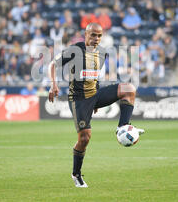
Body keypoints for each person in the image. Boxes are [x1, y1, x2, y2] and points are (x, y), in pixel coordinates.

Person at [47, 23, 145, 188]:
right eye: (93, 35)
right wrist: (53, 85)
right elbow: (52, 65)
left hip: (94, 95)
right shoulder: (75, 49)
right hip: (79, 99)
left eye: (99, 36)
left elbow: (94, 77)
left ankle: (123, 127)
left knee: (129, 89)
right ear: (85, 34)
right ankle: (76, 174)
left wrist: (97, 100)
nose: (96, 39)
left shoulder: (102, 53)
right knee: (84, 138)